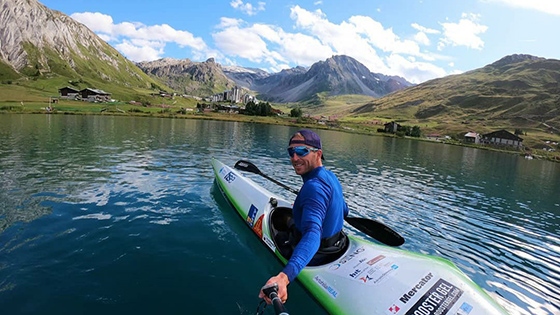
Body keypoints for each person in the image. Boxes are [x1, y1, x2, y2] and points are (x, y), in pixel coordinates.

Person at [258, 129, 349, 304]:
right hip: (336, 244)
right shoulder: (331, 177)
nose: (294, 158)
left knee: (287, 222)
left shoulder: (313, 188)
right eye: (291, 152)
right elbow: (345, 211)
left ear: (318, 154)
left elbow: (312, 234)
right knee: (294, 216)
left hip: (316, 255)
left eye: (301, 151)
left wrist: (284, 278)